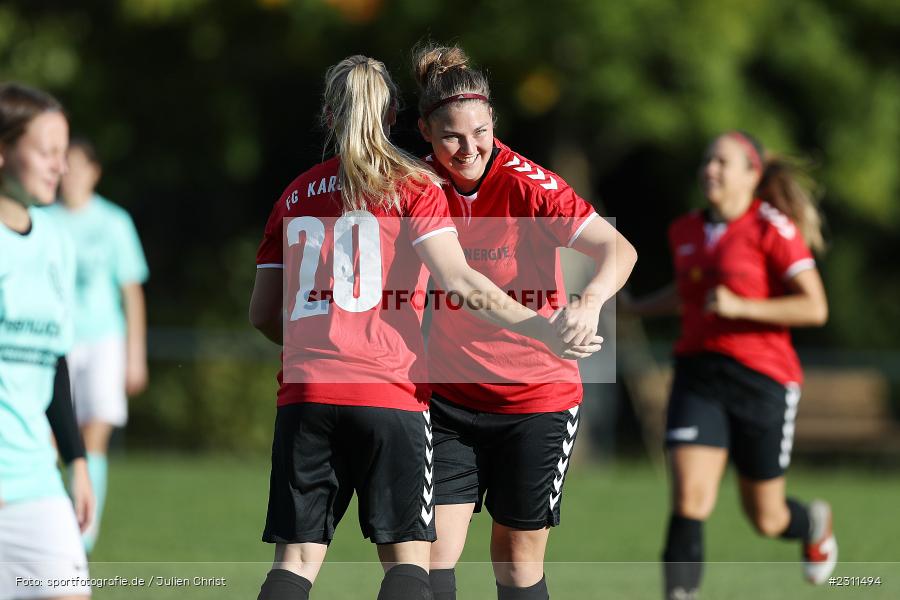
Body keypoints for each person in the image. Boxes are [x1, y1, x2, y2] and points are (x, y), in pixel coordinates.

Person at [249, 55, 600, 600]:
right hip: (394, 395)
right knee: (411, 564)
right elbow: (460, 281)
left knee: (294, 562)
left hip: (306, 393)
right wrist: (544, 329)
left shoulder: (293, 195)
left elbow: (262, 316)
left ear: (327, 113)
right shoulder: (416, 186)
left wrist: (320, 347)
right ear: (393, 117)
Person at [411, 44, 637, 600]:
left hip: (535, 398)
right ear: (424, 132)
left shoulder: (529, 184)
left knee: (516, 557)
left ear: (495, 123)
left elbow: (620, 251)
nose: (470, 148)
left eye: (481, 132)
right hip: (451, 400)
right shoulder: (416, 185)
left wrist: (587, 303)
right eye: (451, 137)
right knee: (432, 552)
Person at [622, 131, 835, 599]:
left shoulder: (771, 228)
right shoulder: (686, 230)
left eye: (722, 162)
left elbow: (814, 308)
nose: (710, 170)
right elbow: (688, 294)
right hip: (698, 375)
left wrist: (744, 307)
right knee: (690, 499)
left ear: (752, 175)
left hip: (762, 378)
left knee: (767, 517)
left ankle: (813, 523)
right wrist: (633, 308)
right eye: (706, 161)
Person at [0, 82, 94, 600]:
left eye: (64, 151)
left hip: (36, 482)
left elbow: (53, 361)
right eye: (46, 152)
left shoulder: (58, 242)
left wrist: (76, 461)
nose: (61, 165)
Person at [47, 136, 149, 553]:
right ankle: (50, 525)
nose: (68, 173)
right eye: (62, 163)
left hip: (104, 340)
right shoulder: (43, 217)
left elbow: (131, 292)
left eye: (76, 164)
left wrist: (135, 356)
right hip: (55, 342)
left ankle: (82, 538)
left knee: (93, 439)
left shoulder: (114, 221)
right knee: (50, 438)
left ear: (94, 171)